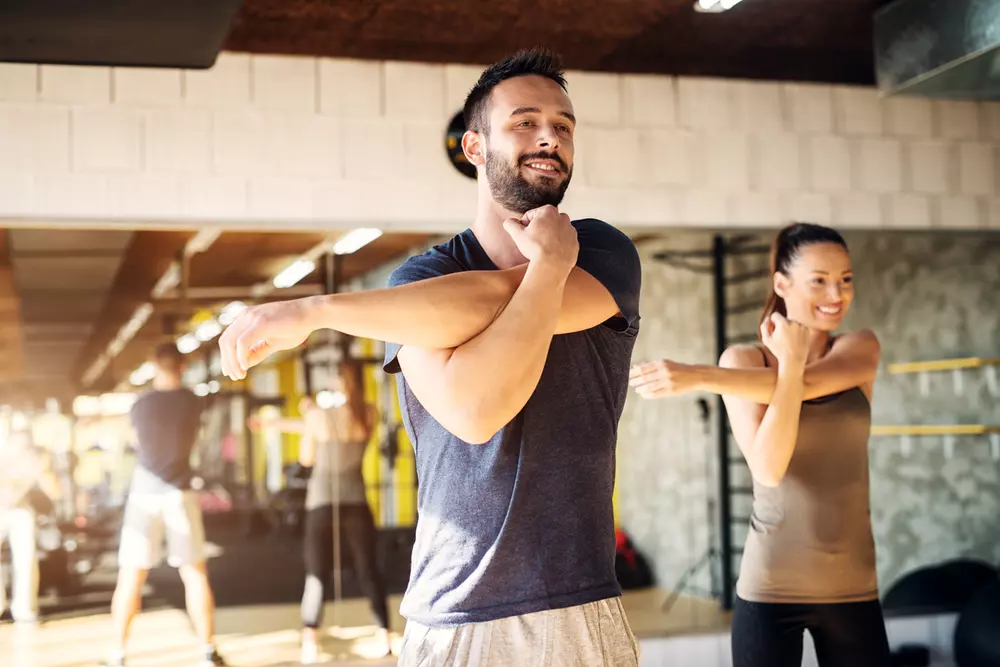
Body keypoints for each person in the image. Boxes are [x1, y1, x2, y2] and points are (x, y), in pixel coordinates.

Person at [218, 48, 642, 666]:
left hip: (581, 605)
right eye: (525, 121)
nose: (549, 135)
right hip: (454, 610)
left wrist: (316, 311)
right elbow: (475, 411)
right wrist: (549, 271)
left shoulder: (601, 250)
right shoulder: (424, 279)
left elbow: (492, 300)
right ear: (473, 147)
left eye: (564, 125)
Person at [630, 222, 890, 667]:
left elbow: (807, 383)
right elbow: (769, 468)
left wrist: (697, 376)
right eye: (820, 280)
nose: (837, 294)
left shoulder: (859, 348)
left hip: (853, 588)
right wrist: (786, 364)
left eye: (846, 280)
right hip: (770, 588)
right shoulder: (743, 361)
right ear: (781, 284)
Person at [251, 362, 391, 663]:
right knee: (369, 571)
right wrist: (283, 422)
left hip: (321, 503)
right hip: (356, 501)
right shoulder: (368, 413)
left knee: (316, 574)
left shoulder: (319, 416)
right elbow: (322, 424)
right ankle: (384, 636)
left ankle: (310, 643)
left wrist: (308, 415)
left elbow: (307, 457)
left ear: (339, 382)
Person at [101, 343, 226, 667]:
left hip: (144, 492)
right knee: (194, 573)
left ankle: (116, 653)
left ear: (154, 364)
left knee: (130, 576)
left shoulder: (140, 405)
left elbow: (136, 442)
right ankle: (207, 651)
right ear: (182, 366)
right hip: (179, 492)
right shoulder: (192, 402)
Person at [0, 428, 58, 626]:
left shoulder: (35, 461)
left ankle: (24, 609)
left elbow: (54, 492)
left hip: (20, 510)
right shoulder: (4, 456)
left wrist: (44, 470)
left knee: (26, 559)